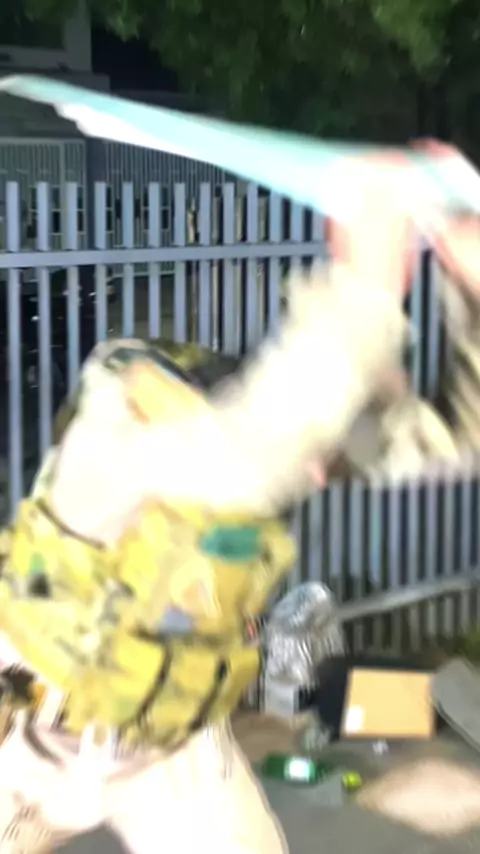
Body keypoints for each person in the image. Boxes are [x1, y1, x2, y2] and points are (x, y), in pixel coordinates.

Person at [0, 260, 406, 854]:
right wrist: (370, 278)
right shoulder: (112, 453)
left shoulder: (253, 475)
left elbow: (412, 441)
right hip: (37, 716)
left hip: (158, 735)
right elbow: (253, 445)